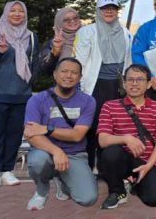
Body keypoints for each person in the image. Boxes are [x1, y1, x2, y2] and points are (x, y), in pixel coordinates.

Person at [0, 0, 42, 191]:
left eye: (21, 11)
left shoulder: (31, 37)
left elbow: (35, 65)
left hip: (21, 95)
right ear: (6, 13)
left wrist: (29, 85)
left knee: (14, 135)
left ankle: (7, 170)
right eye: (12, 10)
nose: (17, 14)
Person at [22, 58, 97, 210]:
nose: (68, 75)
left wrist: (47, 129)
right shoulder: (37, 100)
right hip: (45, 152)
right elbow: (31, 134)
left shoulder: (88, 101)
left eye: (74, 73)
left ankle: (64, 183)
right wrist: (56, 151)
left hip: (75, 154)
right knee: (37, 161)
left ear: (80, 77)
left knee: (88, 199)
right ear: (55, 74)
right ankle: (41, 191)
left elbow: (77, 135)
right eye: (64, 71)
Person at [96, 64, 156, 209]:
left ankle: (133, 184)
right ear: (124, 83)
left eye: (140, 79)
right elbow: (103, 140)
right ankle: (117, 191)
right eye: (130, 80)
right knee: (111, 153)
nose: (134, 83)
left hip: (145, 161)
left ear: (149, 84)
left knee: (155, 198)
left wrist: (148, 166)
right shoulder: (110, 106)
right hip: (120, 160)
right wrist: (126, 138)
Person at [72, 0, 133, 168]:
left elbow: (128, 61)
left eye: (112, 8)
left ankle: (106, 167)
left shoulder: (125, 33)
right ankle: (88, 166)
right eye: (105, 8)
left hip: (117, 87)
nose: (109, 11)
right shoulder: (87, 31)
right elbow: (79, 61)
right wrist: (78, 85)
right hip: (95, 86)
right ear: (98, 11)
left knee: (113, 126)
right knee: (92, 126)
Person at [38, 6, 81, 74]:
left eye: (75, 18)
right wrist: (54, 54)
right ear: (59, 22)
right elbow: (44, 69)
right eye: (66, 20)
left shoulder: (89, 37)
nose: (72, 21)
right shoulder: (53, 43)